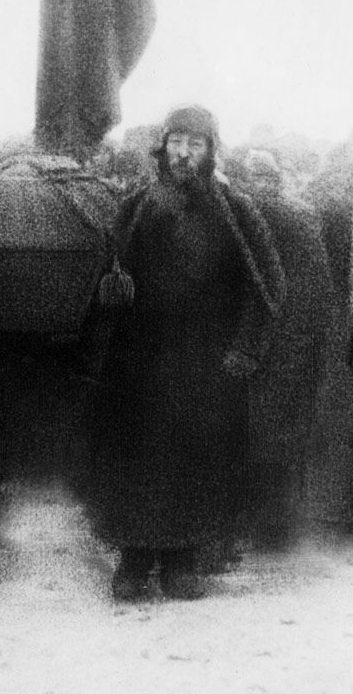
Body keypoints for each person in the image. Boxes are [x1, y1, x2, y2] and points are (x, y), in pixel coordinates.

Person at [81, 105, 284, 601]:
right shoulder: (136, 205)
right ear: (162, 147)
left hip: (205, 358)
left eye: (195, 144)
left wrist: (246, 348)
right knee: (135, 459)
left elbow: (267, 285)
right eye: (176, 142)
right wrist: (106, 296)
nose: (184, 154)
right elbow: (101, 273)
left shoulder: (234, 211)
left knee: (195, 459)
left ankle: (182, 563)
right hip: (138, 357)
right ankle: (133, 562)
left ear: (210, 151)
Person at [236, 148, 334, 552]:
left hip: (271, 339)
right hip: (297, 338)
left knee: (259, 432)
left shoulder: (255, 215)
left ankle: (261, 528)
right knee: (282, 434)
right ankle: (277, 528)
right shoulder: (299, 213)